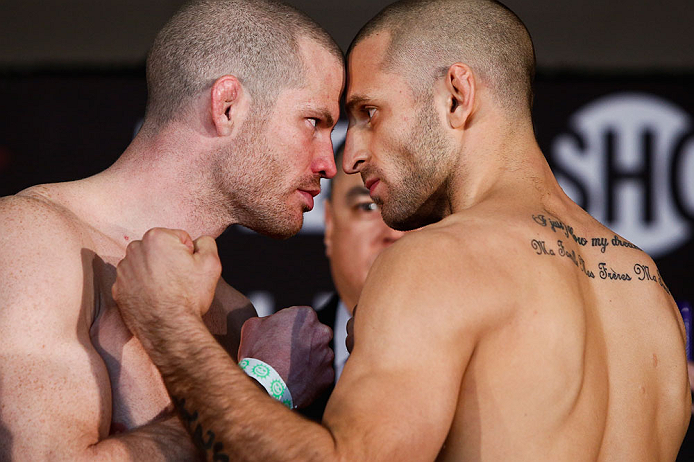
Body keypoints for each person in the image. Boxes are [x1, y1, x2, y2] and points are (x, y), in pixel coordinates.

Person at [113, 0, 692, 460]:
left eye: (368, 113)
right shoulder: (645, 285)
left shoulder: (440, 260)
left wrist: (171, 328)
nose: (350, 158)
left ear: (456, 96)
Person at [0, 0, 344, 459]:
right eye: (313, 122)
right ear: (226, 106)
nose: (329, 164)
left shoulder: (235, 312)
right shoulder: (32, 239)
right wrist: (260, 385)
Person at [301, 148, 405, 421]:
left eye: (412, 208)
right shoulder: (280, 370)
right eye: (368, 207)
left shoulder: (483, 365)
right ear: (330, 223)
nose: (393, 232)